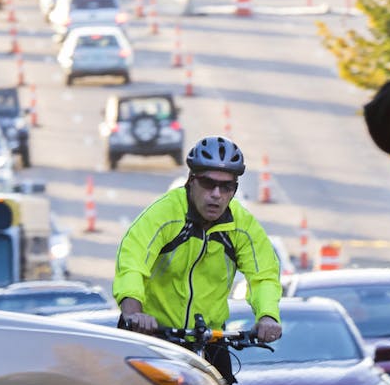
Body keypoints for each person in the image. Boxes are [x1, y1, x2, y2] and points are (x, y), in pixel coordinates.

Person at [114, 135, 282, 344]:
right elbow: (132, 261)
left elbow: (264, 275)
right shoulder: (166, 212)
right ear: (191, 181)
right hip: (153, 335)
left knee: (222, 378)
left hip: (209, 338)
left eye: (226, 187)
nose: (216, 194)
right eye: (208, 183)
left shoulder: (242, 225)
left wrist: (267, 316)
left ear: (234, 190)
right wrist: (134, 313)